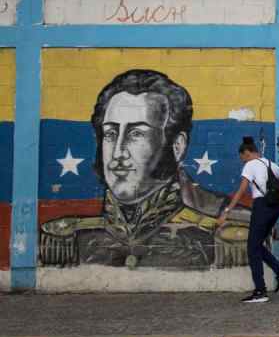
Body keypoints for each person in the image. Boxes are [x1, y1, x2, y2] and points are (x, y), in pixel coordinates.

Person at [40, 68, 248, 269]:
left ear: (177, 146)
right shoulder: (66, 236)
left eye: (136, 134)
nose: (118, 152)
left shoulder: (225, 232)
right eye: (111, 134)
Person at [218, 137, 279, 303]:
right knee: (257, 245)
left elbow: (241, 191)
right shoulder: (273, 165)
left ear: (247, 152)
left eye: (242, 157)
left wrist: (227, 211)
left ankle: (260, 291)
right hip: (275, 208)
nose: (242, 160)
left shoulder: (250, 165)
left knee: (252, 248)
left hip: (262, 207)